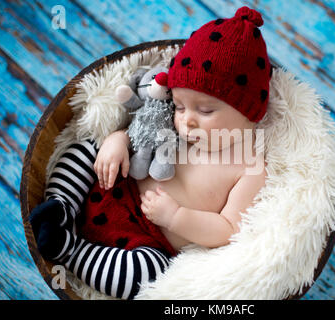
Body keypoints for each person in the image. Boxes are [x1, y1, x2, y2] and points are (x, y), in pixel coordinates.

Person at [29, 6, 272, 300]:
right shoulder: (172, 117)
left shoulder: (249, 166)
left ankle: (70, 249)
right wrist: (117, 141)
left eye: (205, 110)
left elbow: (228, 229)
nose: (186, 119)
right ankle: (61, 204)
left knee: (149, 274)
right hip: (115, 181)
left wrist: (176, 217)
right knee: (89, 148)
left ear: (249, 113)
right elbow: (139, 132)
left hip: (147, 240)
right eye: (180, 105)